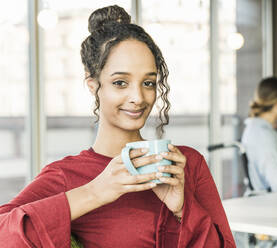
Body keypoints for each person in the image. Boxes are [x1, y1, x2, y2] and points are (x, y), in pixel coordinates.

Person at [0, 5, 235, 247]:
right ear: (93, 85)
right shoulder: (66, 175)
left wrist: (184, 208)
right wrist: (96, 192)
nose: (138, 97)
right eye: (121, 82)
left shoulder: (186, 164)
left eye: (148, 83)